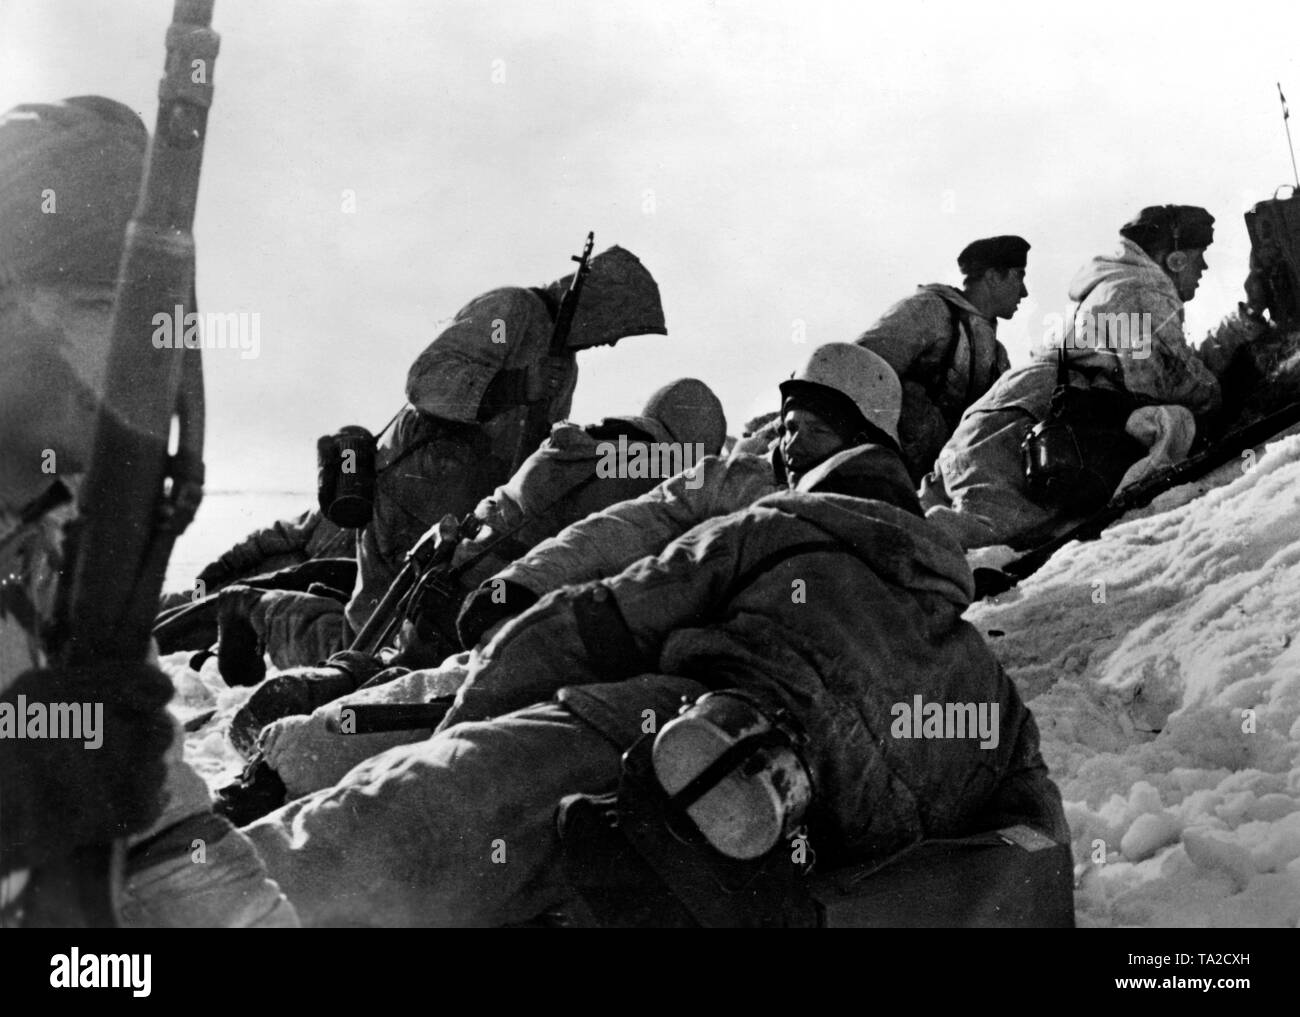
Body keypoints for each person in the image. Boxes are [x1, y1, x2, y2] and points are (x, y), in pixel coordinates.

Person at [243, 372, 1066, 927]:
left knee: (395, 830)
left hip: (648, 730)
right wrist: (841, 912)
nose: (781, 448)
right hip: (785, 860)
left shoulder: (772, 527)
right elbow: (1029, 849)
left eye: (798, 435)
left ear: (831, 449)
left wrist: (464, 723)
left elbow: (592, 620)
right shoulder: (984, 681)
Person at [0, 97, 295, 927]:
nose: (136, 372)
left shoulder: (65, 550)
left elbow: (175, 846)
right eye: (102, 311)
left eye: (156, 329)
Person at [215, 245, 667, 682]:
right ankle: (255, 611)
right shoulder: (511, 310)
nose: (608, 342)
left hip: (458, 515)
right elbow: (427, 379)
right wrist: (517, 384)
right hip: (409, 496)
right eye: (614, 327)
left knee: (411, 636)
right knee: (369, 637)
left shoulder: (563, 364)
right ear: (596, 305)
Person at [222, 377, 729, 759]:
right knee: (409, 696)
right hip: (500, 612)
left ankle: (299, 661)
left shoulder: (578, 444)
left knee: (393, 666)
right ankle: (306, 702)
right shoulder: (655, 477)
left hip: (445, 586)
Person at [456, 343, 907, 648]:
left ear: (861, 442)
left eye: (819, 430)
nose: (794, 443)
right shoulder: (727, 480)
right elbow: (631, 524)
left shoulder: (891, 527)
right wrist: (522, 583)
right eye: (790, 426)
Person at [923, 205, 1269, 551]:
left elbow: (1174, 367)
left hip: (1003, 428)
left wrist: (1248, 318)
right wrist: (1255, 379)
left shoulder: (1123, 286)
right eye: (1199, 255)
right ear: (1175, 257)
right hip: (1011, 435)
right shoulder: (1138, 291)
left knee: (982, 547)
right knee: (976, 549)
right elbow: (1174, 383)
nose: (1204, 267)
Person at [852, 235, 1029, 483]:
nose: (1024, 291)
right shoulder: (930, 310)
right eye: (1019, 276)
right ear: (992, 276)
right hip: (884, 473)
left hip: (939, 482)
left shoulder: (998, 357)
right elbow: (858, 368)